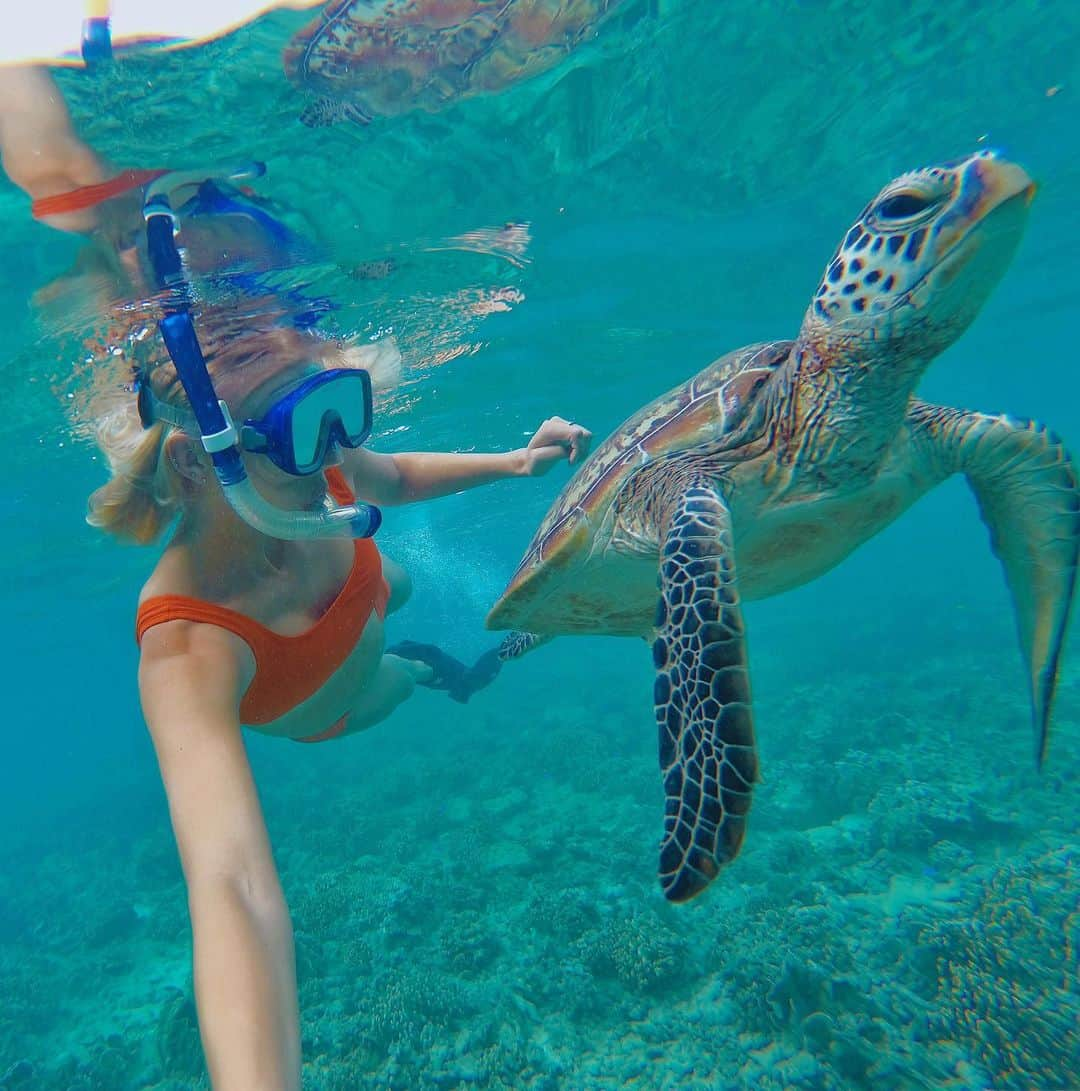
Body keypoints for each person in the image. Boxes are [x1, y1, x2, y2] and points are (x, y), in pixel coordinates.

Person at [0, 64, 592, 1091]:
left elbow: (387, 472)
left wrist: (515, 460)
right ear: (190, 459)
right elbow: (230, 883)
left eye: (333, 407)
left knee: (393, 573)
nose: (329, 454)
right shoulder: (189, 641)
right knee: (402, 670)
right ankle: (444, 661)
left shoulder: (307, 454)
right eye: (299, 427)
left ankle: (403, 593)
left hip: (358, 583)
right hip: (341, 691)